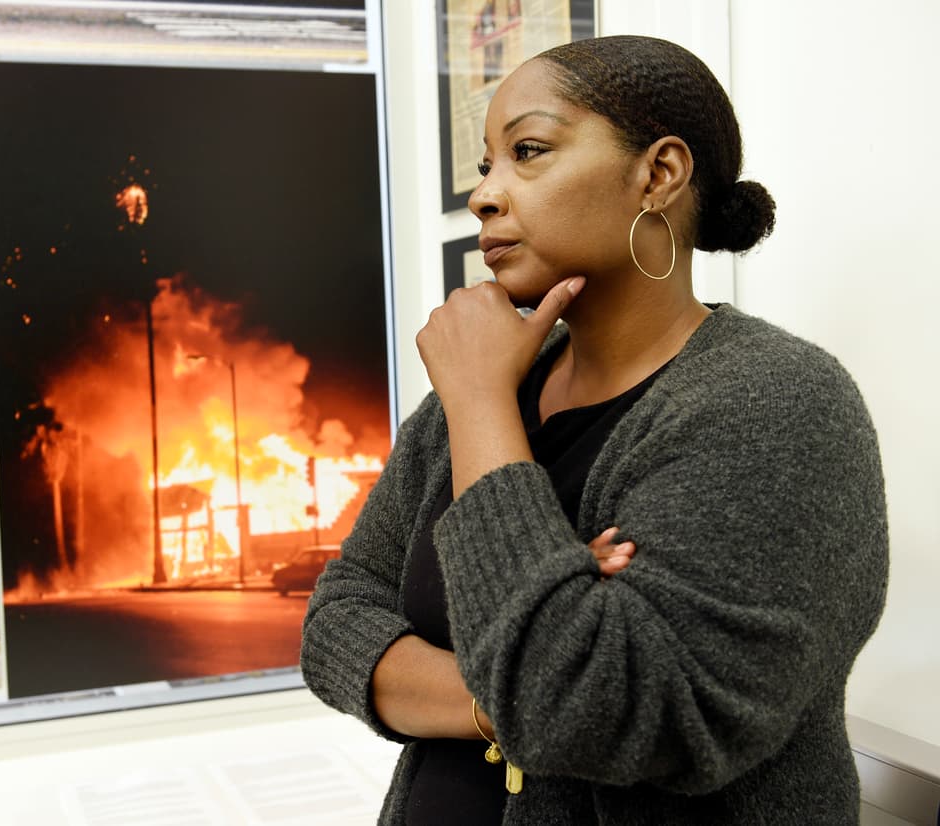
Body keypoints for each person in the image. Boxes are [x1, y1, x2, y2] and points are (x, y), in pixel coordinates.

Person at [300, 35, 888, 825]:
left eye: (528, 151)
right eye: (486, 165)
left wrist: (481, 408)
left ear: (659, 173)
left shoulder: (779, 403)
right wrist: (506, 691)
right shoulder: (484, 389)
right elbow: (336, 618)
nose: (484, 196)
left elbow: (596, 713)